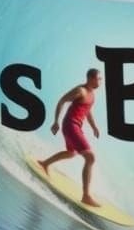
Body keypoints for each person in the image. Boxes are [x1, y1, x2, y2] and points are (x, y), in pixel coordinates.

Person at [38, 68, 103, 207]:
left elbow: (87, 111)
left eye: (101, 79)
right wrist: (55, 121)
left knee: (71, 153)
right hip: (70, 125)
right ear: (90, 78)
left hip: (75, 126)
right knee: (90, 157)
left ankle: (44, 163)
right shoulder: (81, 91)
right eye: (98, 78)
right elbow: (62, 101)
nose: (100, 81)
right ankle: (86, 196)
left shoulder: (92, 94)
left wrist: (94, 127)